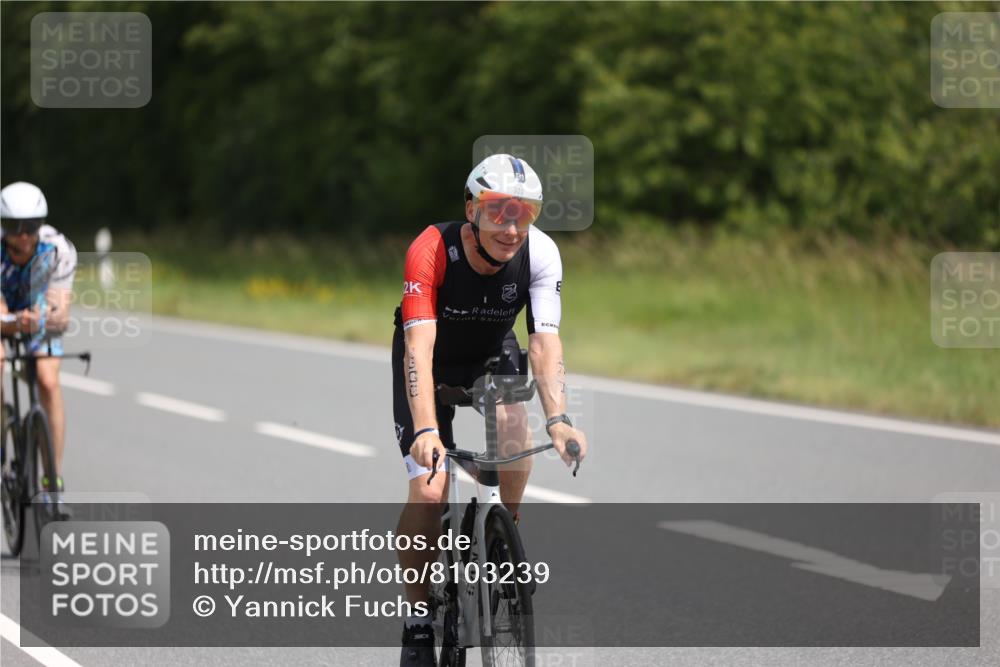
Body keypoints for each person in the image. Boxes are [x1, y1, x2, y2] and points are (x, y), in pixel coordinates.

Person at [392, 154, 589, 666]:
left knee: (514, 427)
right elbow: (418, 346)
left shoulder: (541, 253)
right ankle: (417, 620)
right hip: (429, 359)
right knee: (430, 489)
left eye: (524, 212)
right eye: (498, 210)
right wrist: (428, 429)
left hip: (490, 352)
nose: (511, 225)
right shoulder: (431, 249)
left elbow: (544, 344)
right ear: (471, 209)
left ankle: (504, 535)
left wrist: (561, 418)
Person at [0, 181, 77, 494]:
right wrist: (17, 321)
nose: (23, 235)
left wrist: (43, 315)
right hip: (7, 313)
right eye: (13, 226)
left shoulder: (58, 249)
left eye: (30, 226)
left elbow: (60, 310)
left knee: (47, 379)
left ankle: (52, 478)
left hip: (37, 312)